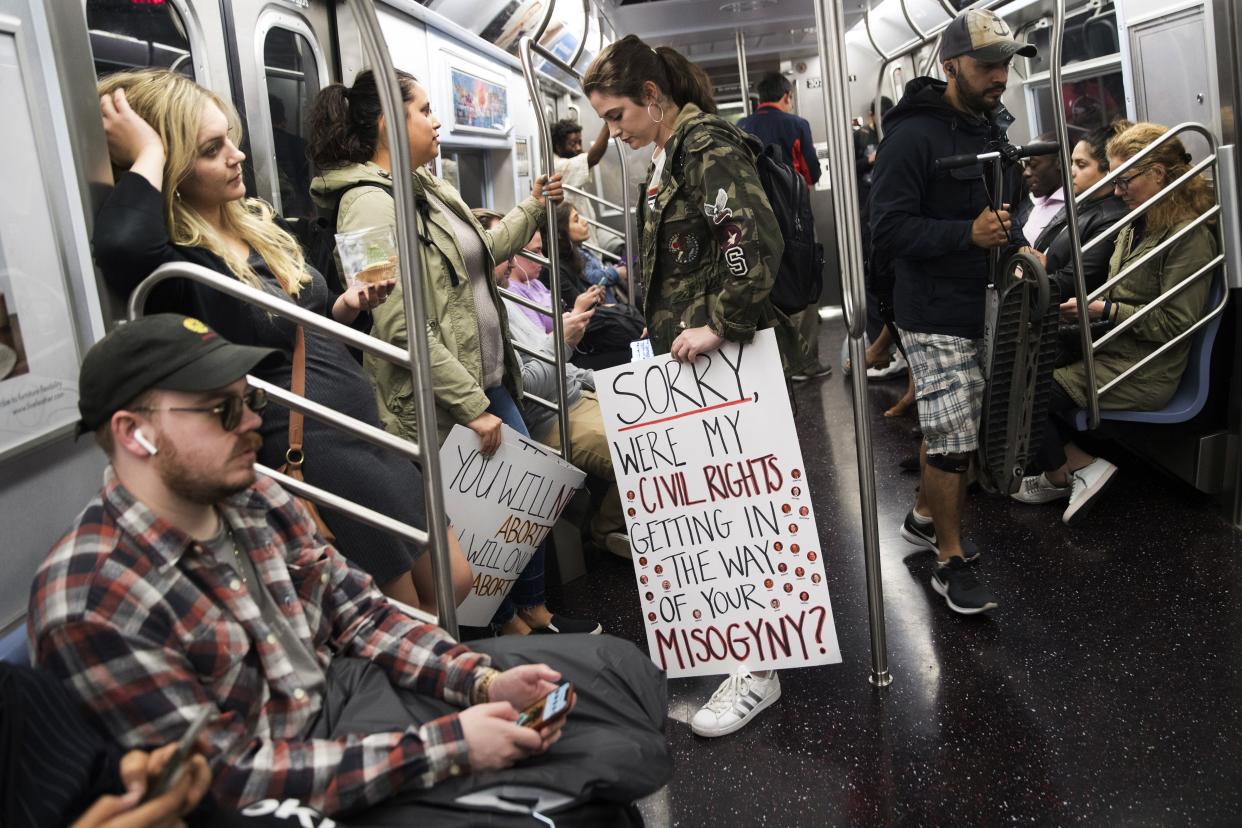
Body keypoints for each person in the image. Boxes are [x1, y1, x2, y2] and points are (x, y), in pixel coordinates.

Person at [29, 315, 670, 819]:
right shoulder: (95, 597)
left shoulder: (255, 498)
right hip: (280, 778)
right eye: (224, 411)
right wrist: (449, 748)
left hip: (347, 696)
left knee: (617, 675)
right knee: (585, 788)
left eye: (248, 401)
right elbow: (225, 780)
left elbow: (359, 613)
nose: (255, 422)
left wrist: (478, 681)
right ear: (135, 434)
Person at [89, 69, 470, 615]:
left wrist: (347, 307)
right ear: (172, 168)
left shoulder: (253, 225)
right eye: (211, 149)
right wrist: (147, 150)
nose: (236, 156)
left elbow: (302, 322)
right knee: (406, 613)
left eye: (232, 140)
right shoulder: (181, 260)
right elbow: (122, 248)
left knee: (454, 582)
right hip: (306, 445)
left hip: (360, 427)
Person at [306, 70, 599, 637]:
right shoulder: (368, 207)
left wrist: (534, 208)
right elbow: (397, 326)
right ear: (389, 120)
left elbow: (480, 253)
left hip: (484, 377)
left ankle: (533, 612)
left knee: (522, 508)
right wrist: (470, 404)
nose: (438, 121)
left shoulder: (426, 188)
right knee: (486, 523)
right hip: (443, 397)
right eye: (424, 110)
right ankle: (506, 627)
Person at [584, 34, 805, 738]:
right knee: (718, 510)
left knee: (744, 513)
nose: (612, 132)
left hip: (722, 359)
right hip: (693, 363)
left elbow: (745, 237)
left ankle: (759, 668)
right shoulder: (672, 155)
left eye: (617, 115)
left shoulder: (706, 147)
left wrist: (721, 319)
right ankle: (735, 645)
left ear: (653, 98)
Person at [869, 8, 1037, 615]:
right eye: (987, 65)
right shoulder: (911, 137)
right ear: (950, 66)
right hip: (933, 308)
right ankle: (950, 558)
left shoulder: (994, 128)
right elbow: (886, 231)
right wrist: (963, 235)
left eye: (1006, 65)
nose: (1000, 77)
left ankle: (921, 514)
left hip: (987, 302)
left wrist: (1021, 246)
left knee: (965, 421)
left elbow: (1006, 207)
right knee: (954, 433)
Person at [1012, 123, 1217, 523]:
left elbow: (1177, 325)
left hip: (1146, 366)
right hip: (1111, 344)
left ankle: (1076, 469)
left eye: (1125, 180)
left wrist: (1104, 312)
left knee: (1028, 392)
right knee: (1020, 359)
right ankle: (1064, 469)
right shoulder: (1134, 223)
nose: (1118, 190)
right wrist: (1088, 309)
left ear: (1157, 174)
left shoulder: (1187, 238)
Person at [478, 209, 631, 559]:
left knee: (653, 425)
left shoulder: (505, 299)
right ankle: (606, 530)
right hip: (550, 416)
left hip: (573, 393)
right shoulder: (488, 315)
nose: (514, 256)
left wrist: (607, 382)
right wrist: (564, 342)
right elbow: (527, 388)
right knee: (638, 452)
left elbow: (562, 368)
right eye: (504, 249)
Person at [737, 72, 831, 382]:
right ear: (786, 96)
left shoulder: (741, 127)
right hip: (795, 218)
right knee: (803, 280)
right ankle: (803, 362)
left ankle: (774, 364)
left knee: (767, 287)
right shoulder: (797, 125)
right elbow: (812, 172)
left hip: (754, 222)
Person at [1023, 121, 1131, 301]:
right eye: (1071, 163)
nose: (1071, 171)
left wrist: (1025, 287)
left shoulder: (1112, 217)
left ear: (1109, 170)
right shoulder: (1080, 203)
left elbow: (1072, 281)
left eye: (1081, 165)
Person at [550, 119, 612, 248]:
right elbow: (593, 158)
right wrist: (608, 122)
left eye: (579, 142)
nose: (578, 148)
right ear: (558, 146)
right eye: (572, 143)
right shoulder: (557, 167)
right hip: (579, 246)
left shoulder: (568, 160)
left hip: (588, 240)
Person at [553, 202, 626, 305]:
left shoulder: (581, 248)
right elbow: (592, 277)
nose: (585, 222)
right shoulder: (573, 257)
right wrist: (616, 272)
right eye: (576, 220)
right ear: (561, 232)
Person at [1017, 132, 1068, 244]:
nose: (1026, 173)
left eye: (1033, 165)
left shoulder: (1074, 206)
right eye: (1025, 165)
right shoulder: (1029, 203)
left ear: (1059, 162)